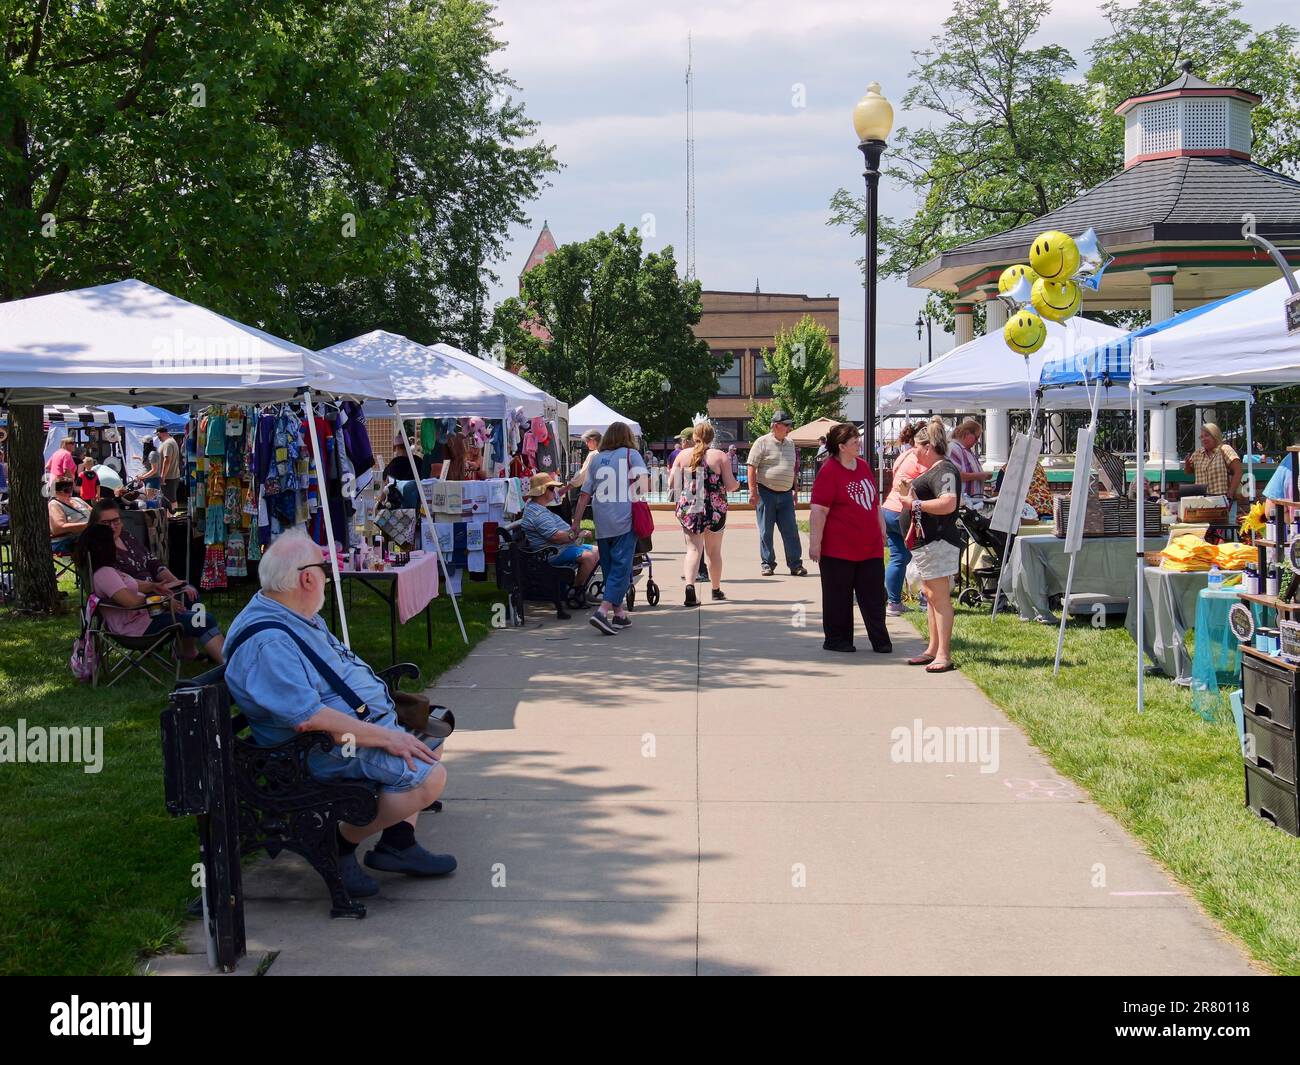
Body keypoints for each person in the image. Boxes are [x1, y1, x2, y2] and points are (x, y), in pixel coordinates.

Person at [224, 527, 454, 896]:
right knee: (428, 776)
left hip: (342, 733)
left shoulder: (288, 610)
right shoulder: (269, 641)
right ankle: (337, 844)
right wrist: (388, 737)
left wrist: (387, 725)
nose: (328, 579)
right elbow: (309, 719)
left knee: (429, 736)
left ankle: (397, 843)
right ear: (307, 578)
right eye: (325, 571)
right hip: (310, 753)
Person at [77, 523, 224, 663]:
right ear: (104, 547)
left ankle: (187, 652)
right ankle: (229, 666)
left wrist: (155, 586)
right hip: (137, 629)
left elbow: (134, 584)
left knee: (191, 601)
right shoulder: (104, 574)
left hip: (144, 619)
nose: (116, 544)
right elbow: (131, 602)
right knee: (204, 619)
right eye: (112, 541)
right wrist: (164, 603)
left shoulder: (108, 570)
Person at [809, 422, 890, 654]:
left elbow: (874, 502)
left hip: (869, 546)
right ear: (842, 446)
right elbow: (818, 511)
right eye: (855, 441)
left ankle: (880, 640)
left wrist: (881, 526)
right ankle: (837, 639)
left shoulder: (863, 466)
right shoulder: (829, 471)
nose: (859, 444)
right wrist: (816, 543)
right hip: (838, 549)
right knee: (838, 597)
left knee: (873, 596)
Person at [895, 418, 961, 673]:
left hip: (938, 541)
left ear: (928, 446)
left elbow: (948, 502)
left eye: (916, 448)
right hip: (929, 542)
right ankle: (933, 649)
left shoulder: (944, 470)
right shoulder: (936, 470)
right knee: (931, 597)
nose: (914, 452)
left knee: (939, 598)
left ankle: (943, 653)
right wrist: (909, 494)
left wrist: (915, 504)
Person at [571, 421, 648, 635]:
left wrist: (576, 521)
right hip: (623, 518)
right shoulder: (631, 455)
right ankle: (602, 612)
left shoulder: (596, 459)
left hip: (601, 519)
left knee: (608, 565)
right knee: (622, 566)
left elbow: (584, 495)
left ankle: (619, 614)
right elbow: (644, 485)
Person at [671, 419, 740, 606]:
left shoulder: (682, 455)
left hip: (690, 508)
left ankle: (690, 587)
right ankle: (716, 590)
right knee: (714, 551)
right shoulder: (720, 456)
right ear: (712, 437)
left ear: (694, 437)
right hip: (715, 509)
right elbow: (731, 485)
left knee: (693, 550)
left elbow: (672, 485)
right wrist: (737, 485)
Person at [88, 499, 198, 602]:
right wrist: (155, 588)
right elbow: (122, 586)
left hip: (157, 590)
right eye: (105, 523)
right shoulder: (100, 552)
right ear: (95, 525)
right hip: (141, 601)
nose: (112, 526)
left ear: (121, 521)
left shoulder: (126, 537)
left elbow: (153, 563)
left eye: (116, 520)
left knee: (190, 592)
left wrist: (176, 583)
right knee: (194, 607)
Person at [881, 422, 936, 616]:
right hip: (906, 512)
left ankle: (893, 603)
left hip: (889, 509)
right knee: (924, 556)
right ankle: (924, 600)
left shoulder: (903, 455)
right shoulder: (924, 460)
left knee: (898, 557)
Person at [747, 409, 805, 576]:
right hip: (766, 493)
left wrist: (795, 490)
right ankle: (767, 563)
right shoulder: (762, 442)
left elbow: (793, 468)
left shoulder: (790, 443)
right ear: (776, 426)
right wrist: (753, 492)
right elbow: (752, 466)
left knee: (791, 530)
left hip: (786, 494)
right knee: (766, 530)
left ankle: (795, 565)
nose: (789, 428)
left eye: (789, 425)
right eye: (786, 425)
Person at [521, 472, 600, 592]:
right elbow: (556, 537)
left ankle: (579, 588)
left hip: (559, 548)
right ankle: (576, 592)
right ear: (542, 491)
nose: (554, 491)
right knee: (589, 557)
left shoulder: (537, 507)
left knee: (598, 552)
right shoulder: (537, 513)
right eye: (551, 488)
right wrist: (578, 534)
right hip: (552, 553)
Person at [1184, 422, 1242, 505]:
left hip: (1223, 501)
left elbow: (1238, 471)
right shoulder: (1198, 453)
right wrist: (1187, 464)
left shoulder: (1224, 449)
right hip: (1202, 502)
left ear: (1215, 435)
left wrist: (1230, 493)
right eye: (1202, 437)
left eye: (1207, 435)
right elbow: (1188, 472)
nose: (1204, 439)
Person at [948, 418, 993, 505]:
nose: (976, 441)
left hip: (972, 502)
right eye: (976, 438)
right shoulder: (954, 449)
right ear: (967, 433)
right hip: (963, 503)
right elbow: (955, 475)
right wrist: (981, 475)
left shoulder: (967, 450)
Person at [48, 478, 92, 552]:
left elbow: (96, 513)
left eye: (71, 489)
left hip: (88, 534)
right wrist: (87, 525)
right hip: (68, 540)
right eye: (67, 490)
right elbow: (58, 528)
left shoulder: (77, 500)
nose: (70, 493)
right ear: (56, 492)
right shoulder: (54, 504)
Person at [155, 426, 181, 507]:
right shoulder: (170, 441)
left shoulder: (168, 443)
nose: (157, 437)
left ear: (160, 433)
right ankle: (170, 517)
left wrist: (163, 476)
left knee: (170, 500)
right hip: (171, 476)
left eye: (157, 435)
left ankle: (173, 518)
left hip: (169, 477)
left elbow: (167, 460)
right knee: (168, 499)